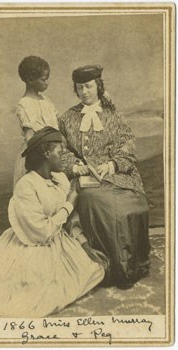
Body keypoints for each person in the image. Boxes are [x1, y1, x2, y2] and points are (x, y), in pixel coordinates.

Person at [0, 127, 106, 317]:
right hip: (32, 242)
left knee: (95, 271)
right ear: (47, 154)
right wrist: (70, 203)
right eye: (60, 153)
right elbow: (41, 232)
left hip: (57, 239)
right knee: (34, 294)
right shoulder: (26, 186)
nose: (63, 158)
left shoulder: (59, 178)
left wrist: (84, 244)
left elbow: (66, 220)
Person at [59, 65, 150, 289]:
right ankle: (109, 266)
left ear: (98, 86)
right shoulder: (67, 118)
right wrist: (75, 167)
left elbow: (128, 146)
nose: (85, 92)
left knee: (129, 206)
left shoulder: (113, 115)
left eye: (89, 86)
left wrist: (112, 165)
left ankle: (129, 264)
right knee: (96, 201)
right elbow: (60, 151)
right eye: (80, 88)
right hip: (86, 180)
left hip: (119, 176)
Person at [13, 56, 59, 188]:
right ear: (30, 80)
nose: (47, 83)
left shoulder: (46, 101)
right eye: (43, 79)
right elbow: (30, 139)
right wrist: (42, 160)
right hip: (37, 158)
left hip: (53, 154)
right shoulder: (25, 104)